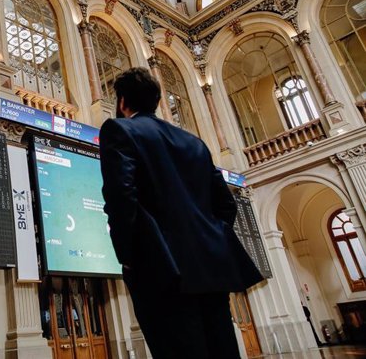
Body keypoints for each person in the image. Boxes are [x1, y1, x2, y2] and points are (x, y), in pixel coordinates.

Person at [99, 67, 263, 359]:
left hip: (161, 269)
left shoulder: (119, 130)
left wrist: (128, 258)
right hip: (212, 268)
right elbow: (226, 204)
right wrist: (210, 239)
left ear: (122, 101)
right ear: (157, 101)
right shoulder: (194, 142)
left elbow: (120, 198)